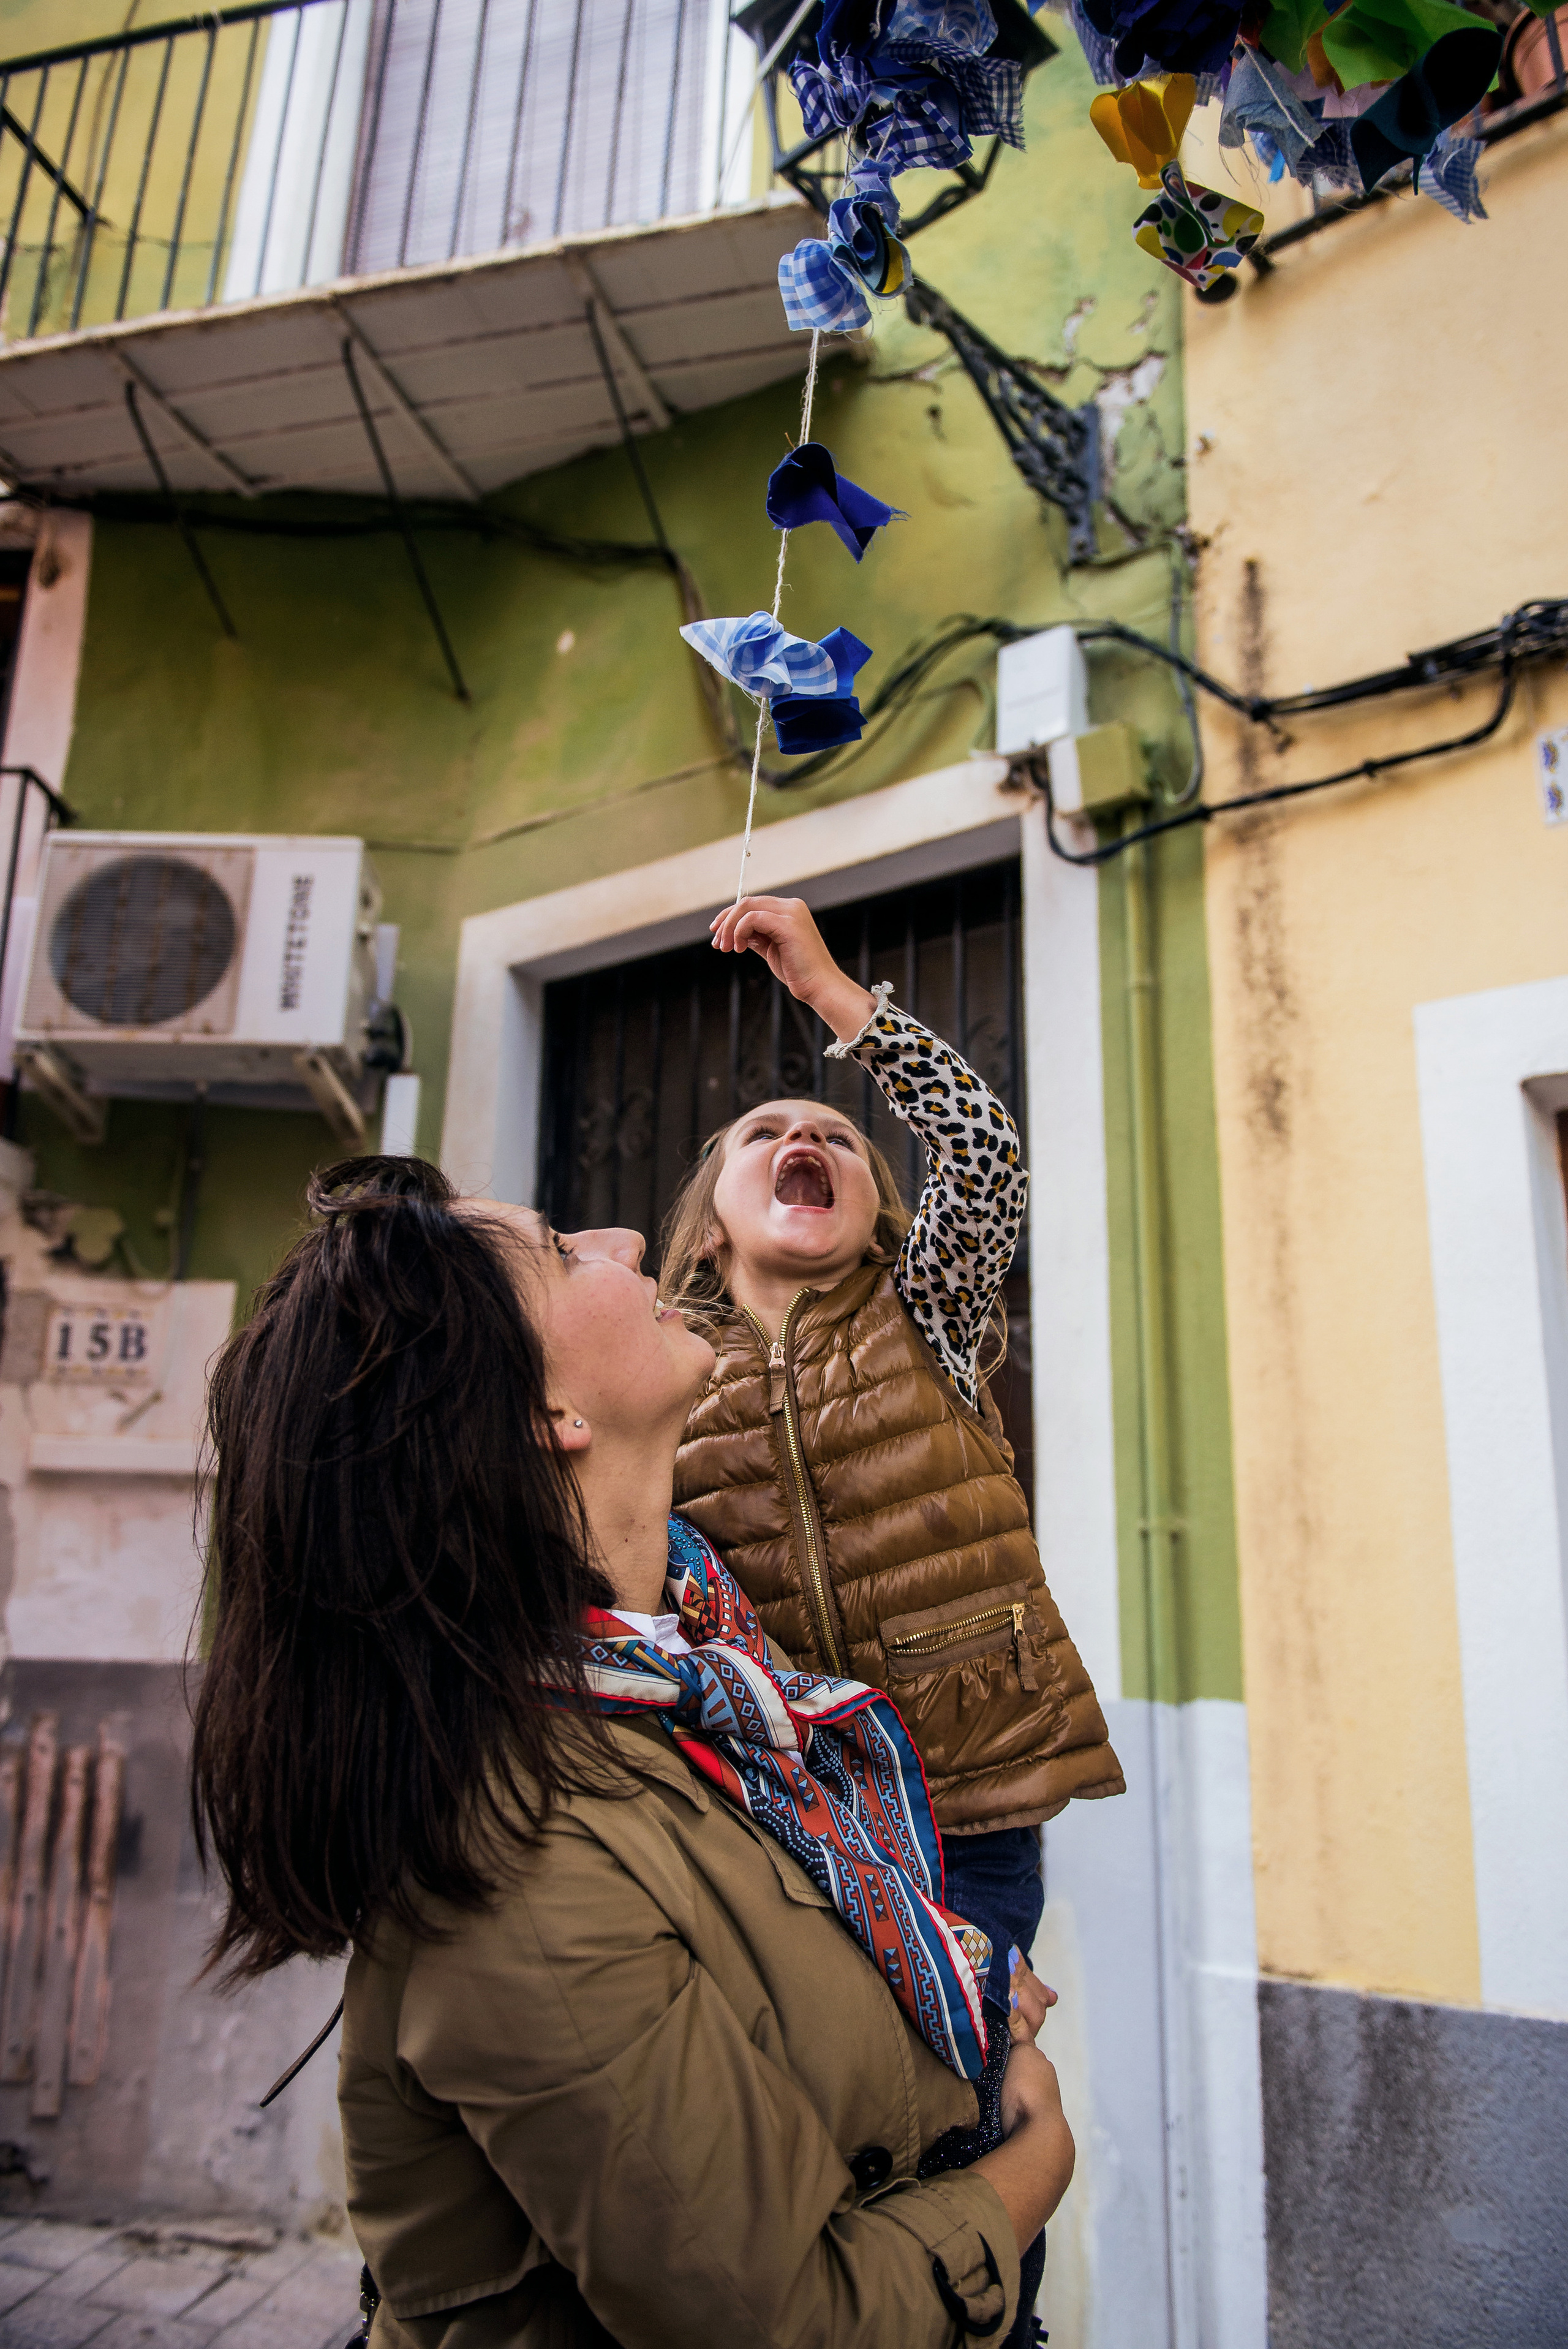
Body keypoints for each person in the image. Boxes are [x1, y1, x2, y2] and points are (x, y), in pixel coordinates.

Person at [190, 1157, 1076, 2348]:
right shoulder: (529, 1874)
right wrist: (1026, 2170)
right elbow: (785, 2324)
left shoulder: (703, 1682)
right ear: (541, 1416)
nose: (618, 1235)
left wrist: (944, 1991)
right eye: (560, 1251)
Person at [662, 896, 1125, 2336]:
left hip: (971, 1809)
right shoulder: (662, 1360)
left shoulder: (926, 1307)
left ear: (874, 1201)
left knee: (967, 2112)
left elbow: (980, 1155)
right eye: (765, 1135)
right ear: (711, 1208)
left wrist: (825, 989)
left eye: (839, 1137)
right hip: (779, 1815)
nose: (805, 1141)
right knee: (808, 2123)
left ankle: (997, 2326)